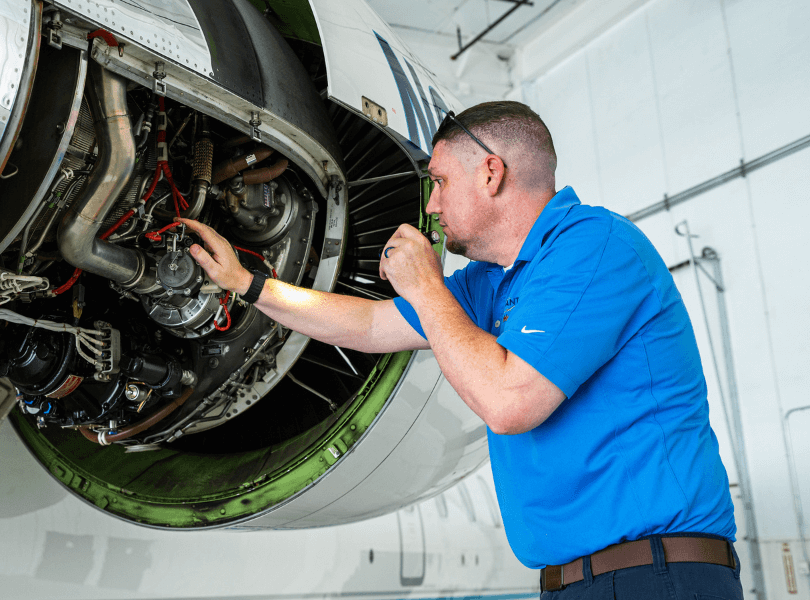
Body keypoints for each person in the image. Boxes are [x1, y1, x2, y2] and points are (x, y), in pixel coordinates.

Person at [178, 101, 742, 600]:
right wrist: (250, 284)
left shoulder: (593, 248)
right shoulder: (491, 282)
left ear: (491, 173)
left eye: (441, 181)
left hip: (654, 577)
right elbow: (374, 325)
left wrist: (424, 285)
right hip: (580, 581)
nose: (432, 206)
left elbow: (509, 401)